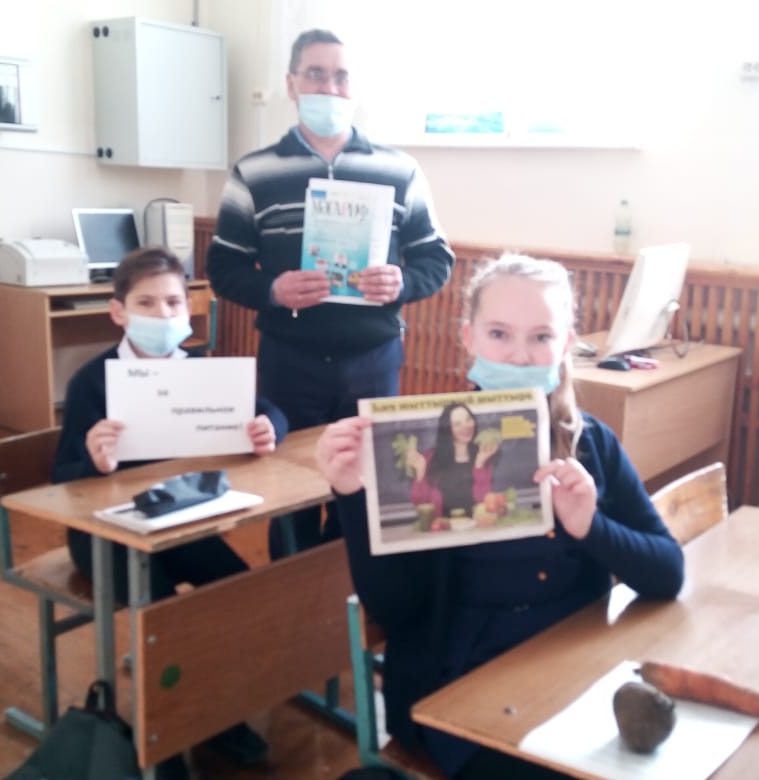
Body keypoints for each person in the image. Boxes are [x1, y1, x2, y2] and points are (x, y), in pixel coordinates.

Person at [314, 253, 685, 779]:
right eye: (498, 334)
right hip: (462, 682)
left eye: (540, 336)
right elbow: (395, 610)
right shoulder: (427, 442)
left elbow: (668, 572)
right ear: (469, 338)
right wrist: (353, 494)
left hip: (575, 669)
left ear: (565, 344)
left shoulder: (592, 443)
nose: (519, 356)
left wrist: (590, 526)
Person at [206, 28, 455, 558]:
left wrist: (403, 282)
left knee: (365, 491)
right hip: (289, 360)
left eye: (341, 76)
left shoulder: (399, 169)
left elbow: (437, 259)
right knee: (288, 493)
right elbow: (223, 267)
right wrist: (272, 289)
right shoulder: (254, 171)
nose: (330, 87)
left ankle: (354, 592)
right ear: (291, 84)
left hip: (373, 359)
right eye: (315, 74)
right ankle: (292, 591)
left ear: (355, 86)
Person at [52, 246, 286, 772]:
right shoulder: (93, 381)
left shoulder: (198, 369)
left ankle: (214, 717)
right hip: (103, 534)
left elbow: (270, 409)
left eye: (174, 302)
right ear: (118, 311)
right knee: (161, 614)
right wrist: (92, 461)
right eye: (147, 303)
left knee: (232, 589)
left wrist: (268, 427)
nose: (163, 314)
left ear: (188, 308)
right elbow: (62, 480)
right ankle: (165, 740)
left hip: (178, 524)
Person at [404, 402, 500, 518]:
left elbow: (483, 500)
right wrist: (420, 471)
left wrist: (479, 464)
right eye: (457, 424)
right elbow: (420, 503)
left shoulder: (483, 453)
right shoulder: (430, 457)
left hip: (476, 526)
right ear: (448, 429)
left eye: (468, 420)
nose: (466, 426)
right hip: (442, 526)